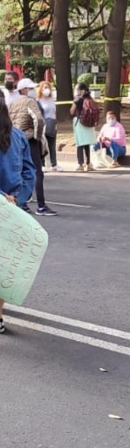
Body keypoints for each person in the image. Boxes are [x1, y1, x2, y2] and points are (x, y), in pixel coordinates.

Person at [0, 99, 36, 333]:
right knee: (4, 263)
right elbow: (29, 172)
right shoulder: (18, 136)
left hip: (5, 203)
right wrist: (16, 199)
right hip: (13, 210)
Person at [8, 78, 55, 215]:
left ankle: (21, 203)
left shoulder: (13, 103)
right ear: (23, 90)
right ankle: (41, 206)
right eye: (30, 88)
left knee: (20, 172)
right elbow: (38, 119)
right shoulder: (30, 101)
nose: (33, 91)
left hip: (15, 140)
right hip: (29, 140)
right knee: (37, 173)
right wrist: (37, 136)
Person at [69, 83, 97, 171]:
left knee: (80, 144)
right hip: (89, 123)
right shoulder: (90, 99)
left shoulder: (77, 99)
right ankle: (88, 163)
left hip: (79, 122)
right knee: (86, 144)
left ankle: (80, 164)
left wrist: (74, 103)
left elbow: (72, 112)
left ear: (80, 90)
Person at [35, 80, 59, 172]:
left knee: (52, 145)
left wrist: (56, 123)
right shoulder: (38, 101)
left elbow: (54, 112)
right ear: (41, 89)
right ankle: (42, 164)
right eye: (45, 87)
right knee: (42, 145)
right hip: (43, 125)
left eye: (48, 87)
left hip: (52, 124)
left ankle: (54, 164)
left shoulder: (51, 100)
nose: (47, 89)